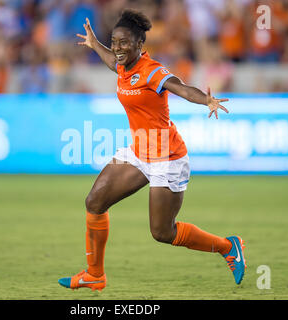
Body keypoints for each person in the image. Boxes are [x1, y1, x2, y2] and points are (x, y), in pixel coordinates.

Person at [58, 9, 246, 291]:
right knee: (94, 202)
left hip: (167, 158)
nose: (118, 48)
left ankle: (226, 246)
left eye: (124, 43)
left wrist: (205, 100)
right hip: (139, 151)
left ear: (139, 46)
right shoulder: (122, 64)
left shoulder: (152, 71)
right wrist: (95, 44)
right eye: (115, 41)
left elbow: (179, 87)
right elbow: (112, 61)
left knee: (162, 232)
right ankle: (94, 275)